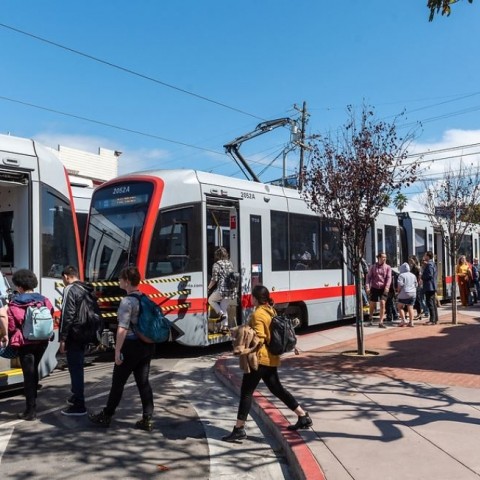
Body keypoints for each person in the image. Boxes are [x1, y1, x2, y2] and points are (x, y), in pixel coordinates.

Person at [222, 284, 312, 442]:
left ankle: (239, 429)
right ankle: (303, 416)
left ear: (255, 298)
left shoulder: (258, 314)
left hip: (260, 360)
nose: (251, 298)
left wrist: (244, 349)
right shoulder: (271, 310)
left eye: (252, 296)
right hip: (271, 359)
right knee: (277, 389)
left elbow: (261, 337)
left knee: (246, 393)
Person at [89, 266, 155, 431]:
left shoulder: (127, 301)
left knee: (118, 383)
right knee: (143, 382)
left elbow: (122, 328)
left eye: (120, 279)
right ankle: (147, 419)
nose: (118, 281)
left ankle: (107, 415)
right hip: (146, 345)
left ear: (126, 281)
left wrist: (117, 351)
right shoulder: (144, 297)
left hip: (130, 346)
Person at [7, 269, 54, 421]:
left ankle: (30, 410)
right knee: (33, 372)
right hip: (42, 341)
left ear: (20, 286)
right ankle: (32, 403)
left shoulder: (15, 303)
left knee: (28, 374)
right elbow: (50, 315)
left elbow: (12, 326)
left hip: (25, 343)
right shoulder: (44, 299)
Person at [58, 265, 94, 416]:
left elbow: (67, 314)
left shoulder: (70, 289)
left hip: (75, 335)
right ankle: (75, 396)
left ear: (66, 276)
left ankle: (79, 404)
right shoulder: (86, 288)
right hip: (86, 333)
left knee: (75, 369)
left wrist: (63, 338)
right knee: (78, 367)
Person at [207, 247, 236, 334]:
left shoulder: (216, 265)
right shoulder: (230, 263)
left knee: (211, 300)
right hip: (231, 289)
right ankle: (225, 327)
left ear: (217, 256)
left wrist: (208, 288)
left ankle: (221, 314)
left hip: (222, 289)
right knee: (224, 307)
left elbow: (214, 279)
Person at [365, 252, 392, 328]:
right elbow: (368, 278)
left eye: (385, 257)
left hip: (384, 288)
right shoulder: (373, 267)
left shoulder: (388, 267)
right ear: (379, 258)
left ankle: (381, 322)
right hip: (374, 287)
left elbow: (389, 278)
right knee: (372, 304)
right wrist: (367, 287)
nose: (385, 259)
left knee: (383, 303)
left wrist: (387, 287)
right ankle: (370, 319)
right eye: (383, 257)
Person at [396, 262, 418, 327]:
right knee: (410, 307)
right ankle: (411, 322)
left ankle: (403, 320)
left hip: (404, 293)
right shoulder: (413, 275)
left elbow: (400, 285)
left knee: (400, 306)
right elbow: (416, 284)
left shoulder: (401, 275)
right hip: (413, 293)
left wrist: (398, 292)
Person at [422, 251, 438, 324]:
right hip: (432, 286)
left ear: (428, 256)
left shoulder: (430, 264)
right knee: (433, 303)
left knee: (430, 303)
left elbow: (429, 275)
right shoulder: (432, 263)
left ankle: (432, 320)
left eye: (425, 255)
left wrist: (422, 276)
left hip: (429, 286)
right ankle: (435, 318)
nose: (424, 257)